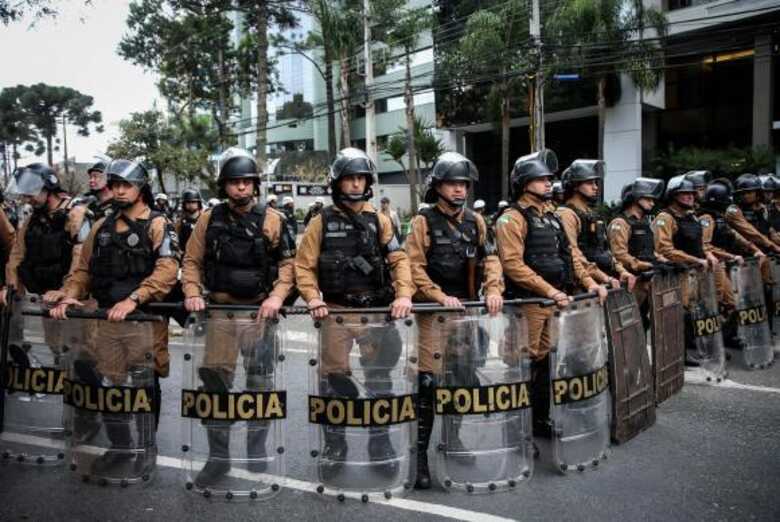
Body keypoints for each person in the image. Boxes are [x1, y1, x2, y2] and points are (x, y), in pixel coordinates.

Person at [46, 159, 179, 474]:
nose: (119, 191)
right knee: (109, 385)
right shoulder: (101, 227)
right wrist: (70, 294)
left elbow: (167, 270)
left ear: (140, 188)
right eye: (115, 185)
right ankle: (120, 446)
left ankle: (146, 447)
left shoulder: (158, 224)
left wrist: (134, 299)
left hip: (144, 320)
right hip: (107, 319)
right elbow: (83, 270)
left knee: (144, 383)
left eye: (126, 185)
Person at [180, 148, 296, 487]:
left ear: (255, 184)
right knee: (214, 385)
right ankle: (218, 458)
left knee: (260, 383)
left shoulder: (273, 219)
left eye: (246, 181)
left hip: (259, 314)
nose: (241, 187)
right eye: (234, 182)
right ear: (224, 186)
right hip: (220, 315)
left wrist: (277, 296)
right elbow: (191, 260)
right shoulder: (209, 219)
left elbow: (289, 265)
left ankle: (256, 446)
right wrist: (191, 291)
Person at [295, 148, 414, 475]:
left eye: (361, 177)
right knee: (333, 380)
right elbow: (303, 267)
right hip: (335, 312)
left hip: (375, 311)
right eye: (350, 178)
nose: (356, 183)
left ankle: (380, 443)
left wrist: (403, 294)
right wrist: (312, 298)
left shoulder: (380, 220)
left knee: (380, 378)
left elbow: (399, 260)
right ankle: (335, 445)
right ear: (337, 182)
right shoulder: (320, 222)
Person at [404, 152, 503, 489]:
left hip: (466, 315)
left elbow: (492, 259)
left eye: (463, 184)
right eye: (452, 183)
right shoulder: (422, 222)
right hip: (434, 315)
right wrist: (438, 296)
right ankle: (420, 458)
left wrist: (493, 289)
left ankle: (454, 440)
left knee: (463, 380)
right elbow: (413, 267)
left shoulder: (477, 222)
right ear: (438, 186)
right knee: (428, 384)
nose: (459, 189)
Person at [494, 150, 605, 439]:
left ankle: (538, 421)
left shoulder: (553, 216)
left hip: (553, 302)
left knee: (544, 363)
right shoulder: (512, 218)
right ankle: (513, 427)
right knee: (520, 364)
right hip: (528, 304)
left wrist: (590, 282)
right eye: (541, 178)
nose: (548, 183)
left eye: (549, 178)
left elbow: (571, 256)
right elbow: (512, 265)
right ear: (524, 182)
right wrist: (550, 290)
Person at [1, 163, 90, 308]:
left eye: (31, 194)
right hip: (42, 298)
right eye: (25, 195)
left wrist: (66, 291)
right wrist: (10, 289)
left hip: (73, 301)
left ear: (48, 188)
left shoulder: (76, 215)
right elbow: (16, 256)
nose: (27, 199)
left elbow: (81, 259)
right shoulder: (32, 220)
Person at [557, 160, 636, 293]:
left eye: (595, 183)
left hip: (601, 282)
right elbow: (574, 255)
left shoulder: (592, 214)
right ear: (575, 185)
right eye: (589, 183)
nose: (595, 187)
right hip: (582, 286)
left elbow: (604, 250)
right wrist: (604, 278)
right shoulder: (567, 214)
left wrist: (621, 271)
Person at [608, 177, 665, 329]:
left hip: (646, 282)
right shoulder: (620, 223)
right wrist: (644, 265)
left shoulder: (645, 222)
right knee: (627, 327)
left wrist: (663, 261)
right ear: (635, 199)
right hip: (630, 285)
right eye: (648, 199)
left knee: (643, 324)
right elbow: (619, 254)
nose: (652, 203)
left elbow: (649, 250)